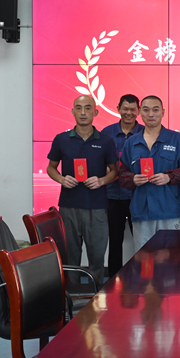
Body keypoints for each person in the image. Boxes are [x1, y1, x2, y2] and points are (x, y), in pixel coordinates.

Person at [47, 95, 118, 282]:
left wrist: (101, 181)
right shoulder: (61, 139)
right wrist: (62, 179)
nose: (83, 112)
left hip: (97, 206)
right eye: (78, 108)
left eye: (88, 108)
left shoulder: (106, 141)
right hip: (69, 206)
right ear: (73, 111)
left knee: (97, 257)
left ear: (95, 112)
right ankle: (72, 294)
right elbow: (51, 168)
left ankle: (95, 295)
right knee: (70, 256)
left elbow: (115, 171)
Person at [118, 95, 180, 250]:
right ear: (140, 112)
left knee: (171, 259)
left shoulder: (178, 139)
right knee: (144, 259)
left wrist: (169, 177)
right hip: (141, 211)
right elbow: (122, 175)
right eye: (146, 110)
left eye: (155, 110)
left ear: (163, 112)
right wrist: (133, 179)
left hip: (169, 211)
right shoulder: (131, 143)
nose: (151, 114)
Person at [101, 94, 144, 277]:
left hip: (138, 196)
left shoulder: (145, 133)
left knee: (142, 240)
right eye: (125, 108)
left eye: (133, 109)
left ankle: (143, 278)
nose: (129, 113)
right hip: (112, 196)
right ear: (118, 108)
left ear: (138, 111)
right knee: (115, 240)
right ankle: (114, 280)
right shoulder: (106, 133)